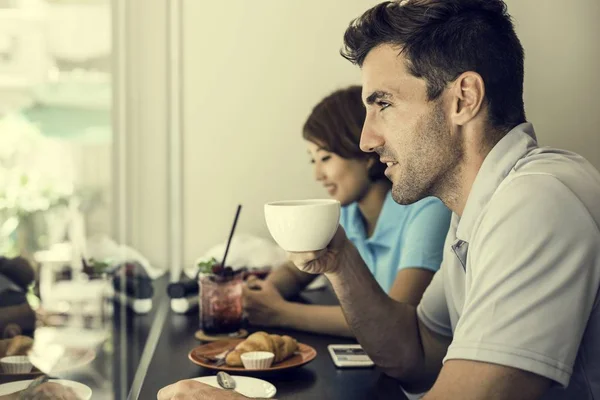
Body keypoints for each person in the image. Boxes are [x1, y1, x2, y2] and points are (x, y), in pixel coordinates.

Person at [158, 0, 600, 398]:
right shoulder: (474, 212)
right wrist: (341, 262)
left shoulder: (538, 202)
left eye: (383, 103)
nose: (367, 140)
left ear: (463, 99)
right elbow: (415, 354)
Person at [243, 85, 451, 337]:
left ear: (366, 154)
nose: (317, 175)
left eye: (326, 158)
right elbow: (296, 271)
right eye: (313, 160)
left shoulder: (427, 208)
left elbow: (396, 320)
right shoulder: (348, 214)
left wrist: (280, 313)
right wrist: (268, 291)